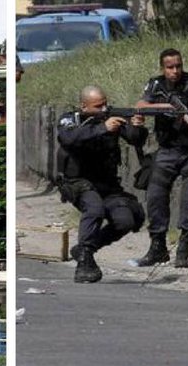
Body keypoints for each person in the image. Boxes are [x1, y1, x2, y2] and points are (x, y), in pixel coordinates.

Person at [56, 85, 149, 283]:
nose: (104, 109)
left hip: (106, 184)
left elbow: (134, 139)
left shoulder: (112, 118)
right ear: (84, 106)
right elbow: (68, 138)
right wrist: (102, 128)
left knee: (127, 220)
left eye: (105, 104)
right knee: (94, 209)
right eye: (98, 106)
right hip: (78, 181)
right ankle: (84, 263)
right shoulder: (69, 119)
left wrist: (137, 125)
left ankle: (85, 250)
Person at [133, 49, 188, 268]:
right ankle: (157, 248)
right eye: (170, 67)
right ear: (163, 68)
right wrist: (168, 108)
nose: (175, 71)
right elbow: (140, 106)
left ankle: (183, 250)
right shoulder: (156, 85)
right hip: (167, 150)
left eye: (178, 66)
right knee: (155, 197)